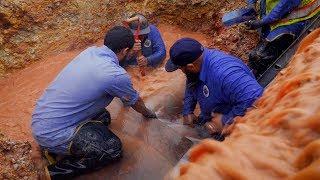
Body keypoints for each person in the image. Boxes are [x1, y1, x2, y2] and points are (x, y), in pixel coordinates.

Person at [31, 26, 156, 179]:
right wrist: (150, 114)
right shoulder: (115, 75)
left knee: (104, 117)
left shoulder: (90, 52)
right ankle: (51, 172)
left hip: (41, 121)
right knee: (112, 149)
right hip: (52, 133)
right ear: (124, 51)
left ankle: (49, 147)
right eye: (129, 52)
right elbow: (135, 102)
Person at [165, 38, 264, 137]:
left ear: (190, 66)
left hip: (236, 126)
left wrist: (225, 121)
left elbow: (259, 101)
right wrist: (188, 110)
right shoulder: (198, 62)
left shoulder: (226, 74)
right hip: (210, 116)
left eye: (181, 68)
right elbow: (191, 81)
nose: (182, 71)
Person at [245, 0, 320, 77]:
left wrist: (260, 22)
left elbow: (281, 8)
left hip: (296, 17)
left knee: (261, 56)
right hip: (279, 10)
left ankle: (256, 72)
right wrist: (251, 4)